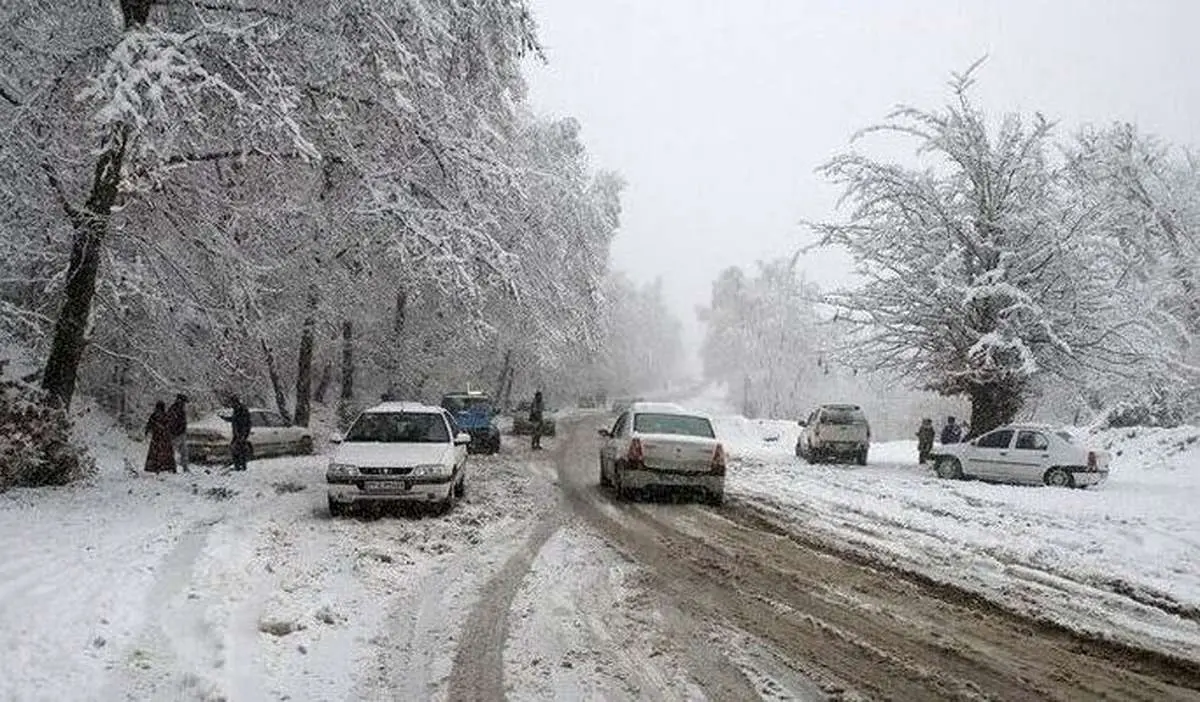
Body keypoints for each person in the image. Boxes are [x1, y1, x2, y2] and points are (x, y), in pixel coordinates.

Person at [143, 401, 177, 474]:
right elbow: (169, 426)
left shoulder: (154, 415)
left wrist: (147, 432)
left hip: (156, 437)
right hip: (165, 438)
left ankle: (155, 467)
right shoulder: (165, 415)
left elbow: (149, 424)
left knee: (155, 453)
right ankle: (167, 467)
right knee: (166, 453)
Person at [226, 395, 252, 471]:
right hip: (237, 433)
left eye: (232, 403)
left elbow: (245, 423)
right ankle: (238, 466)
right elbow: (234, 420)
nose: (231, 405)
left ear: (235, 402)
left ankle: (242, 466)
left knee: (240, 450)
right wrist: (225, 418)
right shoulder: (236, 410)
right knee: (236, 449)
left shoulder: (242, 410)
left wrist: (243, 435)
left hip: (241, 433)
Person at [167, 393, 189, 472]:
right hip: (176, 434)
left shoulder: (177, 409)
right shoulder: (175, 409)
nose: (185, 404)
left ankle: (184, 467)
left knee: (184, 452)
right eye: (184, 402)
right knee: (174, 451)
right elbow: (171, 421)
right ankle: (172, 468)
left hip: (180, 433)